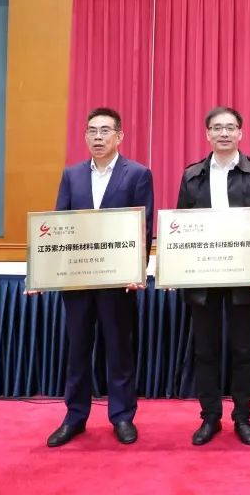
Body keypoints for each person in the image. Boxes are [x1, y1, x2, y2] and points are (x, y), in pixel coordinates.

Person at [45, 107, 154, 448]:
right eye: (92, 131)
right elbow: (60, 224)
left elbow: (143, 227)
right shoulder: (72, 175)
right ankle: (75, 416)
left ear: (119, 136)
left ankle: (122, 416)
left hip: (118, 282)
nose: (98, 137)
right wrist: (47, 271)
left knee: (119, 350)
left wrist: (136, 271)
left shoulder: (137, 174)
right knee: (78, 350)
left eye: (105, 131)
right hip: (78, 281)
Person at [175, 106, 250, 447]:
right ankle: (209, 417)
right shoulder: (192, 175)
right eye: (217, 128)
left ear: (240, 133)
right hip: (203, 277)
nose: (224, 133)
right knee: (205, 350)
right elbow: (180, 226)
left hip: (243, 276)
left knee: (243, 350)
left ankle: (243, 417)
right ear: (207, 134)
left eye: (230, 127)